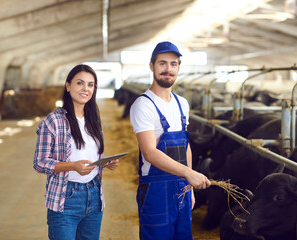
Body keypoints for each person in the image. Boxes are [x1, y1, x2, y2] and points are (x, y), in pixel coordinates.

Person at [130, 41, 211, 240]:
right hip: (156, 191)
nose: (168, 69)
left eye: (173, 64)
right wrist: (189, 174)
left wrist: (189, 186)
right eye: (162, 64)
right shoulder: (143, 105)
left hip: (181, 189)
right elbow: (149, 152)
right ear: (152, 66)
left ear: (178, 68)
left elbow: (186, 146)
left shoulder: (181, 103)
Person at [33, 64, 119, 240]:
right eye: (80, 83)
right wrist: (72, 166)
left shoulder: (93, 119)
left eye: (90, 84)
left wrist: (105, 162)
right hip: (66, 198)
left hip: (94, 195)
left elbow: (92, 154)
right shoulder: (53, 121)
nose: (85, 89)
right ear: (68, 85)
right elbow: (40, 162)